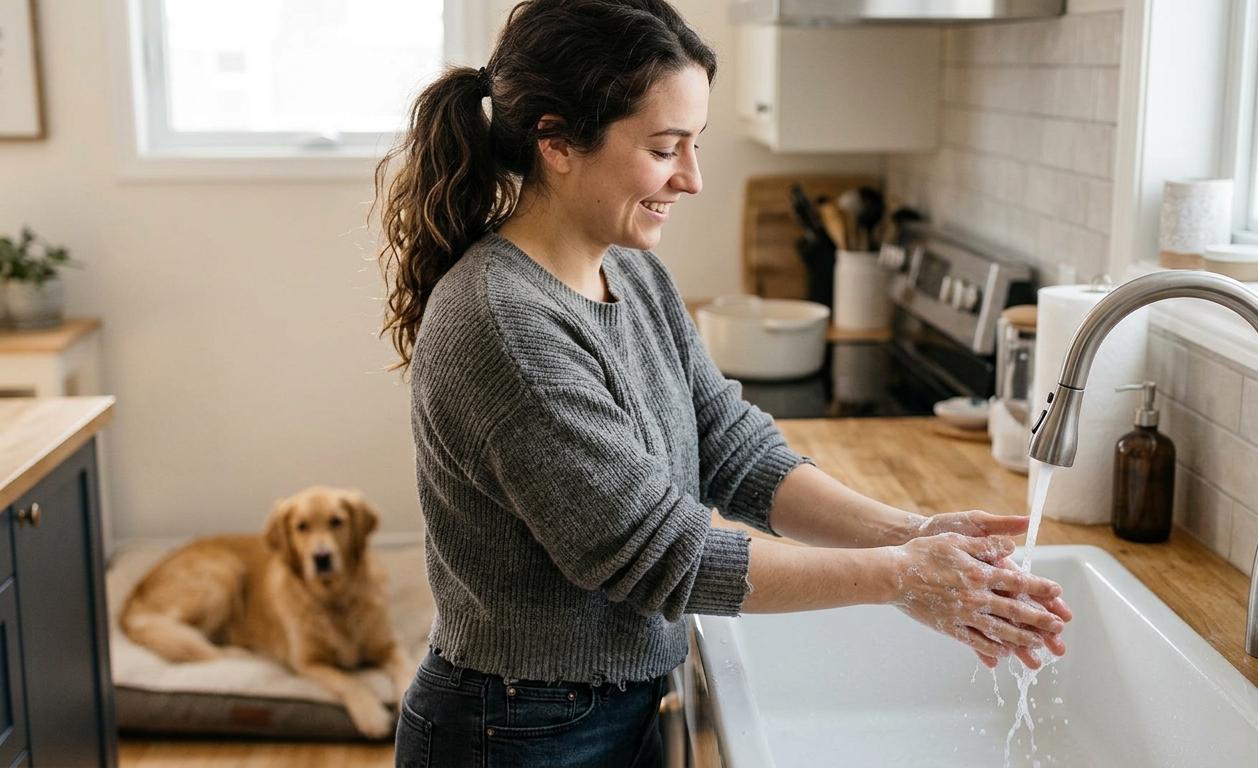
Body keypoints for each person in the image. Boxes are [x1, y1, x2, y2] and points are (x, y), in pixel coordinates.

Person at [373, 1, 1073, 765]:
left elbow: (730, 449)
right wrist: (900, 577)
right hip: (516, 730)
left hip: (609, 702)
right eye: (667, 147)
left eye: (695, 144)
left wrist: (909, 533)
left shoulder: (632, 274)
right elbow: (659, 551)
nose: (694, 178)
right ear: (557, 141)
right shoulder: (503, 322)